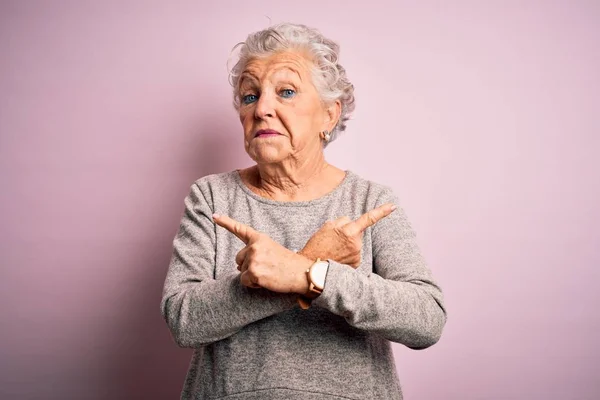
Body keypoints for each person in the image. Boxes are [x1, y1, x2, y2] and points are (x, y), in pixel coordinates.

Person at [160, 22, 447, 400]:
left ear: (329, 115)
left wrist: (312, 274)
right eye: (250, 96)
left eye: (286, 92)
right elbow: (184, 320)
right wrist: (308, 263)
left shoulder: (370, 201)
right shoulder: (212, 197)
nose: (262, 109)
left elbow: (426, 319)